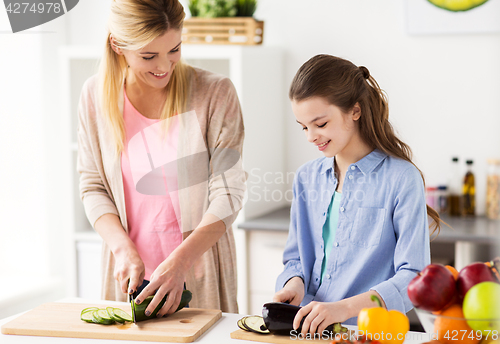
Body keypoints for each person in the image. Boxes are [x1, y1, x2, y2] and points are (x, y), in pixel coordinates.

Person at [77, 0, 246, 317]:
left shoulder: (215, 93)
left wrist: (182, 261)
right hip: (129, 277)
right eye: (148, 56)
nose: (165, 66)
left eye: (175, 49)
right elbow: (93, 186)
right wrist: (122, 249)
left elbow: (229, 192)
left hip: (198, 269)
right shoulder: (95, 96)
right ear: (117, 46)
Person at [273, 54, 441, 333]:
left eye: (320, 124)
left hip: (367, 333)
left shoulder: (401, 179)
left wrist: (344, 308)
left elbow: (414, 278)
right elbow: (296, 260)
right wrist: (293, 283)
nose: (310, 137)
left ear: (355, 111)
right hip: (305, 331)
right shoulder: (306, 178)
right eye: (304, 127)